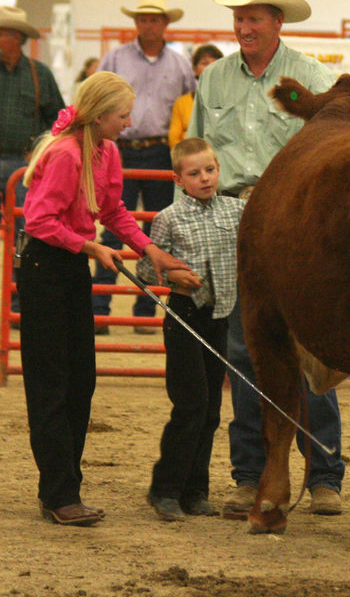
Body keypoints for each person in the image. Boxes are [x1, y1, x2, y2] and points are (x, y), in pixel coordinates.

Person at [187, 0, 345, 519]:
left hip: (295, 219)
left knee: (309, 347)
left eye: (254, 18)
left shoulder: (311, 76)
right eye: (239, 18)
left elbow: (330, 152)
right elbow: (199, 152)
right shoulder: (212, 79)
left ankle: (324, 474)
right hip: (232, 217)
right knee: (243, 349)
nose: (243, 26)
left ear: (278, 22)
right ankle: (249, 475)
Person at [17, 71, 189, 526]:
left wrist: (149, 249)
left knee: (80, 380)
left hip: (68, 266)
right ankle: (59, 492)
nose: (129, 122)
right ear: (98, 115)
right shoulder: (66, 155)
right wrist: (91, 246)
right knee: (52, 381)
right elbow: (38, 221)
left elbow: (112, 210)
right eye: (122, 114)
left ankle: (60, 487)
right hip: (45, 268)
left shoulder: (104, 151)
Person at [137, 138, 245, 521]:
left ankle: (196, 490)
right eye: (195, 173)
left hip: (220, 317)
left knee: (212, 409)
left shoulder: (236, 211)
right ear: (178, 179)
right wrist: (173, 273)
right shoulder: (167, 218)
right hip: (184, 315)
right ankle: (164, 490)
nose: (204, 178)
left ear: (219, 169)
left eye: (210, 170)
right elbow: (146, 270)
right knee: (191, 404)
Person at [92, 0, 195, 335]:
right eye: (143, 19)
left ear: (165, 23)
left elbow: (188, 105)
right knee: (112, 225)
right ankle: (100, 307)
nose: (148, 25)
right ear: (137, 23)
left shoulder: (180, 64)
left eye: (154, 19)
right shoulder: (115, 58)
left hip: (161, 152)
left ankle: (146, 308)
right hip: (116, 148)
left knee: (157, 228)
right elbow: (95, 95)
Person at [0, 6, 65, 323]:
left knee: (27, 236)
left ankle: (22, 303)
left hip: (24, 168)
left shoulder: (40, 74)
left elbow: (58, 122)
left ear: (17, 37)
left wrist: (40, 152)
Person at [168, 44, 224, 148]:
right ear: (194, 69)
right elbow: (174, 139)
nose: (210, 67)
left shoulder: (230, 100)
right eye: (204, 63)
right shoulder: (182, 102)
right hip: (188, 157)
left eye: (215, 63)